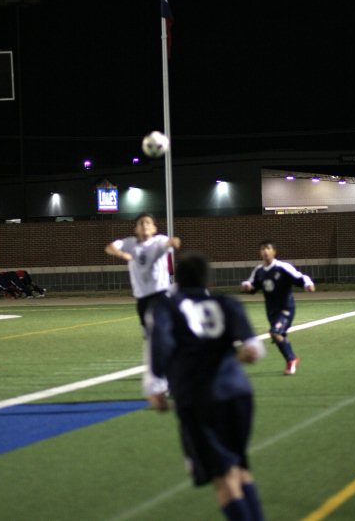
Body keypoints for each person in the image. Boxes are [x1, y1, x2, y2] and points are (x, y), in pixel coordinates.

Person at [147, 252, 266, 521]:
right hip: (238, 392)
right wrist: (237, 354)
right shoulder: (226, 302)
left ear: (178, 277)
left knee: (222, 479)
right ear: (207, 279)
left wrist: (156, 386)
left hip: (199, 397)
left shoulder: (168, 306)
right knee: (238, 468)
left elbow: (161, 344)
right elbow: (254, 347)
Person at [104, 212, 181, 394]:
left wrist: (173, 242)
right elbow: (109, 247)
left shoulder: (159, 240)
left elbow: (170, 242)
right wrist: (121, 254)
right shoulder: (129, 243)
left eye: (148, 223)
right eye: (141, 223)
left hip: (161, 295)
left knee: (161, 337)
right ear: (136, 228)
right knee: (151, 341)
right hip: (142, 299)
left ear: (154, 228)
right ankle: (163, 378)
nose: (145, 225)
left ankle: (170, 380)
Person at [241, 240, 315, 375]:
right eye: (262, 249)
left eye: (268, 248)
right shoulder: (259, 271)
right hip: (271, 310)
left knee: (275, 333)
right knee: (276, 335)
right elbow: (252, 285)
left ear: (274, 252)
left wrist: (308, 284)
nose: (265, 251)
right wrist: (247, 286)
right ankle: (290, 358)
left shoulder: (282, 267)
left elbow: (300, 277)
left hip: (286, 308)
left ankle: (291, 359)